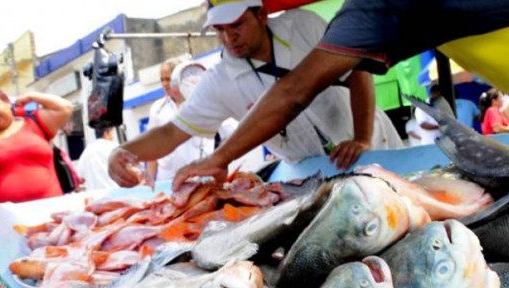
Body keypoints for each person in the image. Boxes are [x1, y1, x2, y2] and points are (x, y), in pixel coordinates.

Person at [172, 0, 509, 189]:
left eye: (235, 24)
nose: (230, 35)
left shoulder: (371, 9)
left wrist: (218, 158)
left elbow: (295, 91)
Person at [108, 0, 403, 188]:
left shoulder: (303, 25)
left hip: (373, 144)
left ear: (261, 14)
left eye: (237, 24)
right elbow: (172, 133)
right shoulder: (219, 80)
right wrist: (124, 153)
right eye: (219, 30)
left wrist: (362, 137)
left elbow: (358, 72)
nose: (229, 37)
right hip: (312, 174)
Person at [0, 87, 73, 204]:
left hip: (50, 209)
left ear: (7, 103)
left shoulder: (35, 123)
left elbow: (65, 107)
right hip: (5, 217)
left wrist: (31, 97)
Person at [146, 59, 183, 179]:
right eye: (162, 80)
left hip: (197, 177)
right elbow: (152, 146)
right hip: (167, 180)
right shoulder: (157, 108)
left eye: (168, 79)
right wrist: (149, 178)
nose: (164, 84)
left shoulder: (195, 103)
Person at [76, 127, 119, 191]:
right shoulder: (113, 147)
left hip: (95, 197)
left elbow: (79, 177)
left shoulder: (87, 151)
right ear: (106, 133)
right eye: (112, 133)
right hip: (115, 193)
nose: (112, 136)